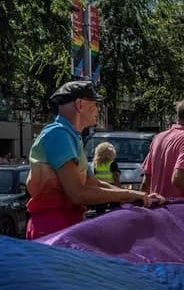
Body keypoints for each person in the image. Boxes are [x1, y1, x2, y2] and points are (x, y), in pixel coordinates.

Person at [26, 81, 162, 239]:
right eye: (95, 103)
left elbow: (93, 183)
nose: (98, 109)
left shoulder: (70, 136)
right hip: (53, 228)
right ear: (80, 104)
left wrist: (139, 195)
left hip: (61, 225)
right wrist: (130, 195)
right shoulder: (58, 135)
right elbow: (78, 193)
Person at [89, 141, 122, 216]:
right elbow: (116, 177)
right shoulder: (112, 164)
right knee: (115, 211)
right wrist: (120, 190)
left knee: (100, 212)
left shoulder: (95, 165)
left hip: (100, 189)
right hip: (112, 188)